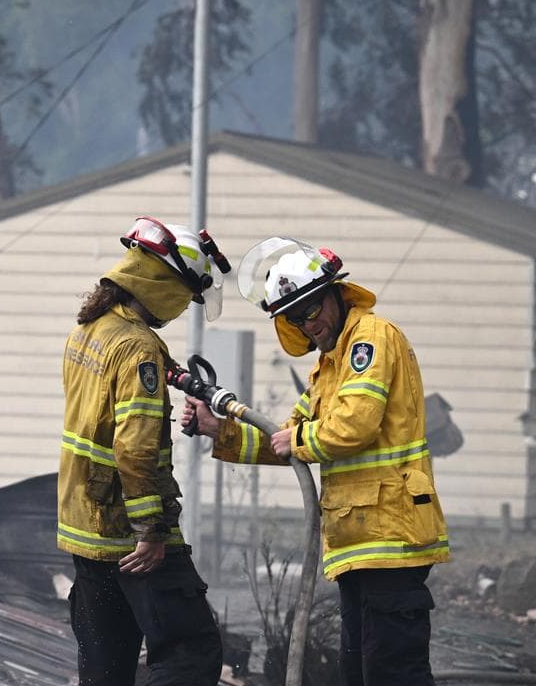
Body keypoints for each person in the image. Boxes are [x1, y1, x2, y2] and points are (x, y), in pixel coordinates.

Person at [181, 237, 450, 686]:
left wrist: (299, 438)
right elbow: (284, 440)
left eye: (312, 309)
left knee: (392, 673)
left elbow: (354, 424)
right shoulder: (328, 365)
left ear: (336, 294)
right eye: (293, 317)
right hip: (358, 542)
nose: (308, 324)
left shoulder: (371, 339)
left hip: (393, 536)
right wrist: (219, 430)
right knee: (359, 674)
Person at [59, 216, 229, 686]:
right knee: (191, 652)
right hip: (133, 534)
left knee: (106, 667)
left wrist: (167, 367)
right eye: (184, 297)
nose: (179, 310)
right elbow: (133, 451)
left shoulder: (89, 331)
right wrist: (151, 530)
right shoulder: (138, 349)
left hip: (86, 530)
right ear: (161, 283)